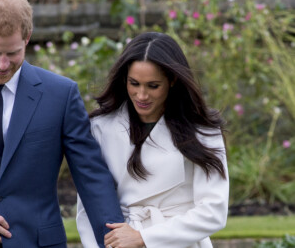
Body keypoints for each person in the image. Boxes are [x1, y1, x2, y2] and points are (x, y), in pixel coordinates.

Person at [0, 0, 124, 248]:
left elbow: (91, 175)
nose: (2, 64)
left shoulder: (61, 95)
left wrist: (116, 242)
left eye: (12, 53)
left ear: (28, 39)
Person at [76, 32, 229, 248]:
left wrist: (143, 238)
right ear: (124, 79)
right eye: (134, 83)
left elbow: (213, 212)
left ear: (173, 80)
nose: (141, 95)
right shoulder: (101, 127)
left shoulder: (203, 131)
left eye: (153, 86)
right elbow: (88, 205)